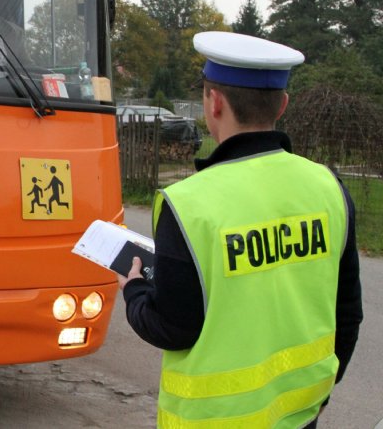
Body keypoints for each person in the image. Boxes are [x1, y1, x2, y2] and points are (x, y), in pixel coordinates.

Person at [116, 31, 363, 428]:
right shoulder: (329, 187)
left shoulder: (187, 203)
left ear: (214, 103)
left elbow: (173, 328)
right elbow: (347, 312)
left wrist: (135, 291)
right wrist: (323, 392)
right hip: (298, 415)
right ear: (282, 104)